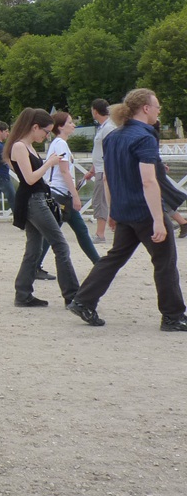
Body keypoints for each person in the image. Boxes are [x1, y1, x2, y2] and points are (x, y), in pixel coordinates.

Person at [68, 90, 187, 331]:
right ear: (145, 108)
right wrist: (157, 220)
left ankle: (83, 300)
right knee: (164, 262)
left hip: (124, 210)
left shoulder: (113, 137)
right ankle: (173, 316)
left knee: (114, 258)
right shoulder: (144, 137)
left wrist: (112, 211)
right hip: (144, 210)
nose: (159, 110)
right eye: (157, 106)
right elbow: (148, 181)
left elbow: (109, 177)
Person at [4, 107, 80, 308]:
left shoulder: (26, 146)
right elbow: (29, 178)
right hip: (33, 199)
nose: (47, 136)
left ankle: (23, 293)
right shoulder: (20, 146)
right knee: (60, 245)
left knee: (34, 248)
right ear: (34, 127)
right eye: (46, 131)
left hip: (34, 198)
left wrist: (47, 164)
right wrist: (49, 164)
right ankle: (72, 295)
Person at [38, 111, 100, 271]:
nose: (73, 125)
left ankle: (98, 263)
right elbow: (65, 171)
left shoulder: (57, 143)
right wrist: (75, 195)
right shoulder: (61, 144)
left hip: (58, 193)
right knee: (72, 230)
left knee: (64, 231)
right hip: (61, 194)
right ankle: (99, 263)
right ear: (60, 126)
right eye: (70, 123)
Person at [83, 99, 116, 243]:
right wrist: (92, 170)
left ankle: (100, 233)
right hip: (100, 169)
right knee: (101, 199)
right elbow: (100, 152)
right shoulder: (104, 127)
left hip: (104, 170)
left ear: (95, 111)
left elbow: (107, 151)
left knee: (100, 200)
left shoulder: (108, 127)